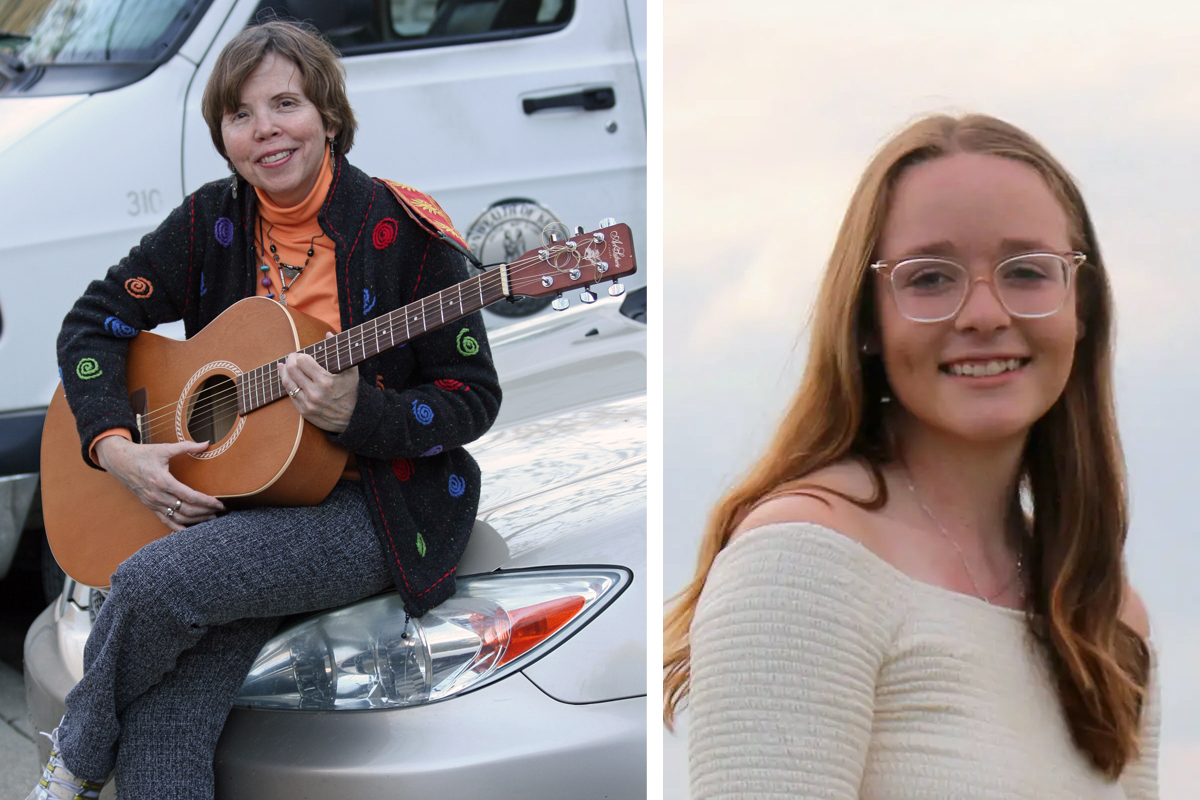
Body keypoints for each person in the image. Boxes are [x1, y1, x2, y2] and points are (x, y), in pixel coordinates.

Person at [30, 19, 501, 800]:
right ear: (223, 134)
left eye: (286, 104)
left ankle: (74, 759)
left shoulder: (408, 233)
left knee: (151, 585)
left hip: (370, 509)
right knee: (164, 721)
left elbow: (472, 398)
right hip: (238, 503)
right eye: (241, 114)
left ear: (329, 116)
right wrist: (115, 445)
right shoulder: (212, 222)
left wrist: (361, 413)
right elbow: (93, 324)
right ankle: (105, 747)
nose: (265, 131)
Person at [663, 114, 1159, 799]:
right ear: (867, 319)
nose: (983, 312)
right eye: (930, 278)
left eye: (1026, 271)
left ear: (1084, 306)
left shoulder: (1105, 614)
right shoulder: (802, 562)